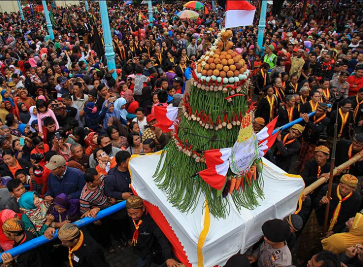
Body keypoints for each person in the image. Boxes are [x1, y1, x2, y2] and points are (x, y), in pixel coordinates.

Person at [126, 195, 181, 267]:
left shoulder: (151, 221)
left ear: (143, 208)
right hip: (140, 250)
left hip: (151, 251)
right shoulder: (131, 214)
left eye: (135, 213)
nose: (133, 216)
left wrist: (168, 257)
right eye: (130, 213)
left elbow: (161, 237)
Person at [298, 103, 330, 172]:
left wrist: (308, 121)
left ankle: (303, 172)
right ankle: (298, 169)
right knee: (301, 156)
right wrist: (302, 118)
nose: (317, 112)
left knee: (308, 158)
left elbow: (317, 129)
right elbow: (303, 124)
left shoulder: (326, 120)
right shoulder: (311, 114)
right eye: (317, 109)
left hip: (314, 141)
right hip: (305, 138)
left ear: (324, 112)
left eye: (320, 111)